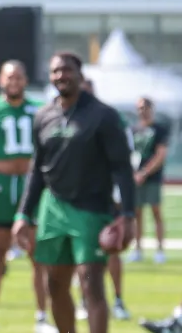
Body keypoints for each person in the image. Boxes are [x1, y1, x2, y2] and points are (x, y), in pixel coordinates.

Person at [13, 52, 136, 333]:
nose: (61, 76)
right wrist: (24, 213)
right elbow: (37, 170)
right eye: (55, 71)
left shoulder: (103, 115)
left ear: (81, 75)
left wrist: (128, 215)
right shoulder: (43, 116)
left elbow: (122, 168)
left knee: (90, 283)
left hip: (91, 209)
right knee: (55, 286)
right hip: (53, 208)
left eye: (67, 70)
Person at [0, 61, 56, 333]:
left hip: (32, 184)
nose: (14, 81)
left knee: (37, 254)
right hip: (2, 185)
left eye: (18, 76)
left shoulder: (38, 109)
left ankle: (42, 317)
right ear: (1, 80)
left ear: (25, 79)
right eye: (9, 77)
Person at [74, 78, 132, 321]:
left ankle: (117, 299)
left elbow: (124, 161)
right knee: (80, 256)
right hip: (77, 199)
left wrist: (121, 197)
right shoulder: (68, 119)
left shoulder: (110, 118)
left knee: (112, 249)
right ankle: (83, 301)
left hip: (106, 197)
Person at [128, 96, 169, 264]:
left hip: (152, 178)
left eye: (145, 107)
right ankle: (137, 249)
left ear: (152, 108)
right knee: (136, 214)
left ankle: (159, 250)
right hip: (135, 178)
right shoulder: (133, 130)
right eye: (139, 107)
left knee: (156, 212)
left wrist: (144, 173)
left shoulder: (159, 129)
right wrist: (133, 174)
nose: (142, 110)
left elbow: (160, 155)